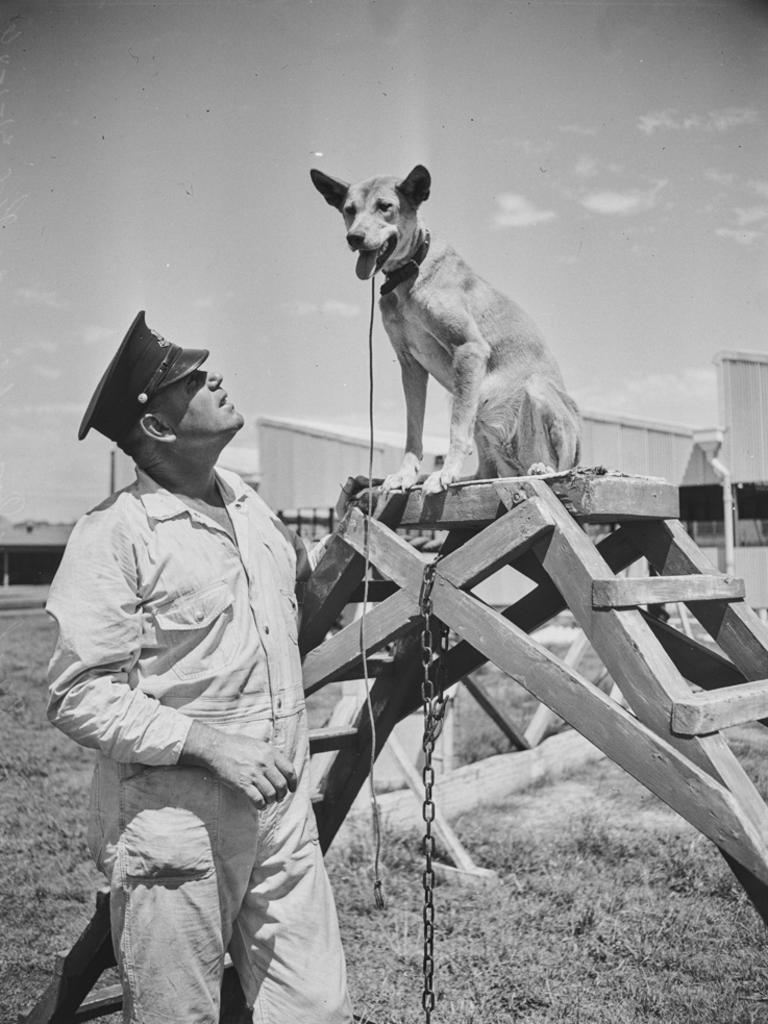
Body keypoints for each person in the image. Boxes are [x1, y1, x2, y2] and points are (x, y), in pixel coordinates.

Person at [46, 311, 353, 1024]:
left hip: (280, 814)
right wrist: (213, 745)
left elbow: (290, 620)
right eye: (188, 378)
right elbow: (77, 695)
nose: (213, 376)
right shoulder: (115, 535)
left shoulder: (252, 510)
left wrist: (344, 539)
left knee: (316, 1010)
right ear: (155, 429)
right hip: (177, 824)